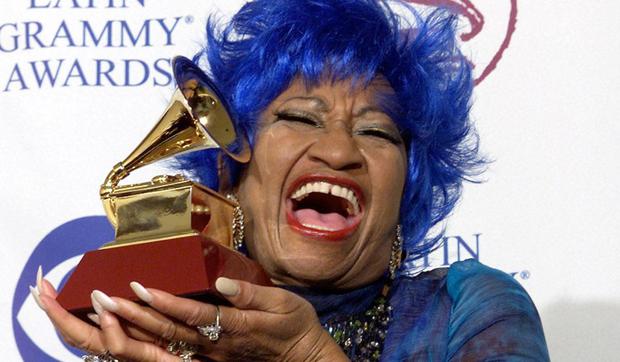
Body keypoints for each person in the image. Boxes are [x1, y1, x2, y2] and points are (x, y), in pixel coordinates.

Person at [30, 0, 550, 360]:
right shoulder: (164, 332)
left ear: (406, 190)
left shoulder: (471, 309)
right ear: (227, 172)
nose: (340, 150)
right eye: (301, 118)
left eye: (377, 132)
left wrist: (307, 355)